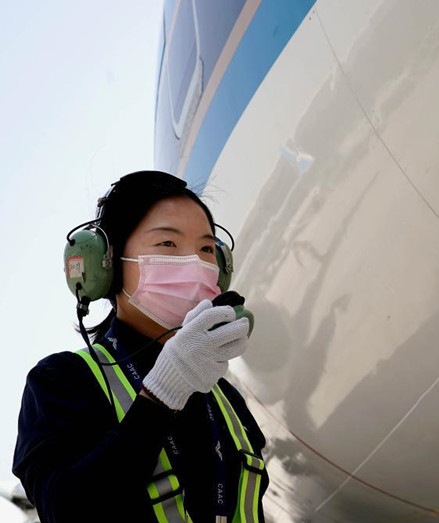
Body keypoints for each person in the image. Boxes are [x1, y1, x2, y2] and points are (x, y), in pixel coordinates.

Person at [13, 171, 269, 522]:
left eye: (207, 249)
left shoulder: (226, 398)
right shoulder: (62, 381)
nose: (195, 263)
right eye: (167, 244)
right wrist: (162, 395)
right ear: (108, 264)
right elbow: (65, 509)